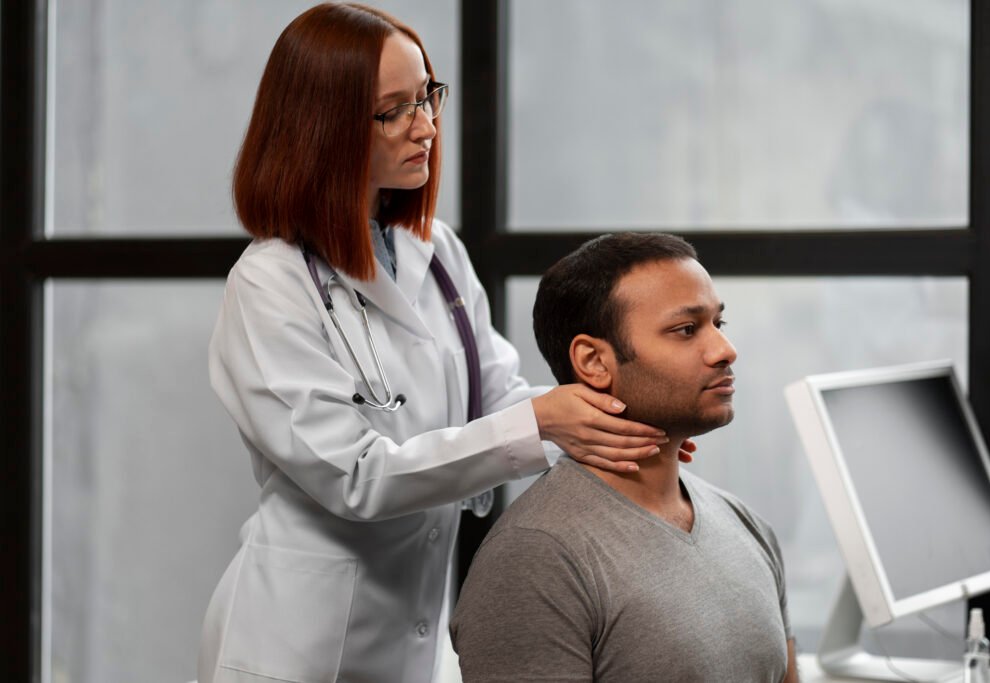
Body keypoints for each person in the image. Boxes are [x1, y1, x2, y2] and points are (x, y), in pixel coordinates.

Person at [196, 5, 688, 683]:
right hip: (301, 650)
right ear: (322, 127)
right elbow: (356, 477)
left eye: (426, 95)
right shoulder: (269, 285)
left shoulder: (435, 250)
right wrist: (545, 422)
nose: (426, 126)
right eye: (391, 111)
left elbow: (502, 399)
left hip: (421, 640)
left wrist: (614, 424)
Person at [450, 233, 799, 682]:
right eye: (686, 330)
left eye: (718, 324)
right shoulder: (535, 560)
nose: (724, 350)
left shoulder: (746, 525)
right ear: (594, 362)